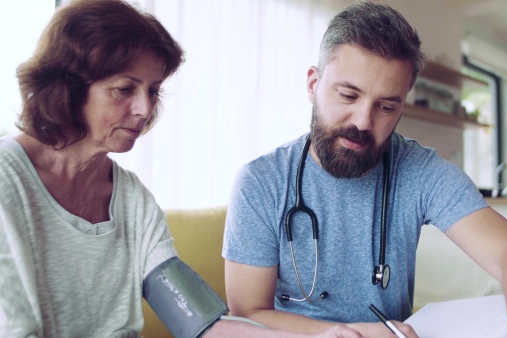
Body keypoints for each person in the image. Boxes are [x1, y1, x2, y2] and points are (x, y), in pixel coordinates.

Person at [0, 1, 364, 337]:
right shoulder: (6, 180)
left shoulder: (131, 200)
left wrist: (319, 336)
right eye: (124, 89)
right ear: (68, 87)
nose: (144, 109)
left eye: (153, 90)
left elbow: (200, 323)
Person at [222, 1, 507, 337]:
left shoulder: (420, 172)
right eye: (348, 95)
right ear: (313, 84)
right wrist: (351, 333)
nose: (363, 121)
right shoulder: (261, 181)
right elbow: (248, 313)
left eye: (386, 106)